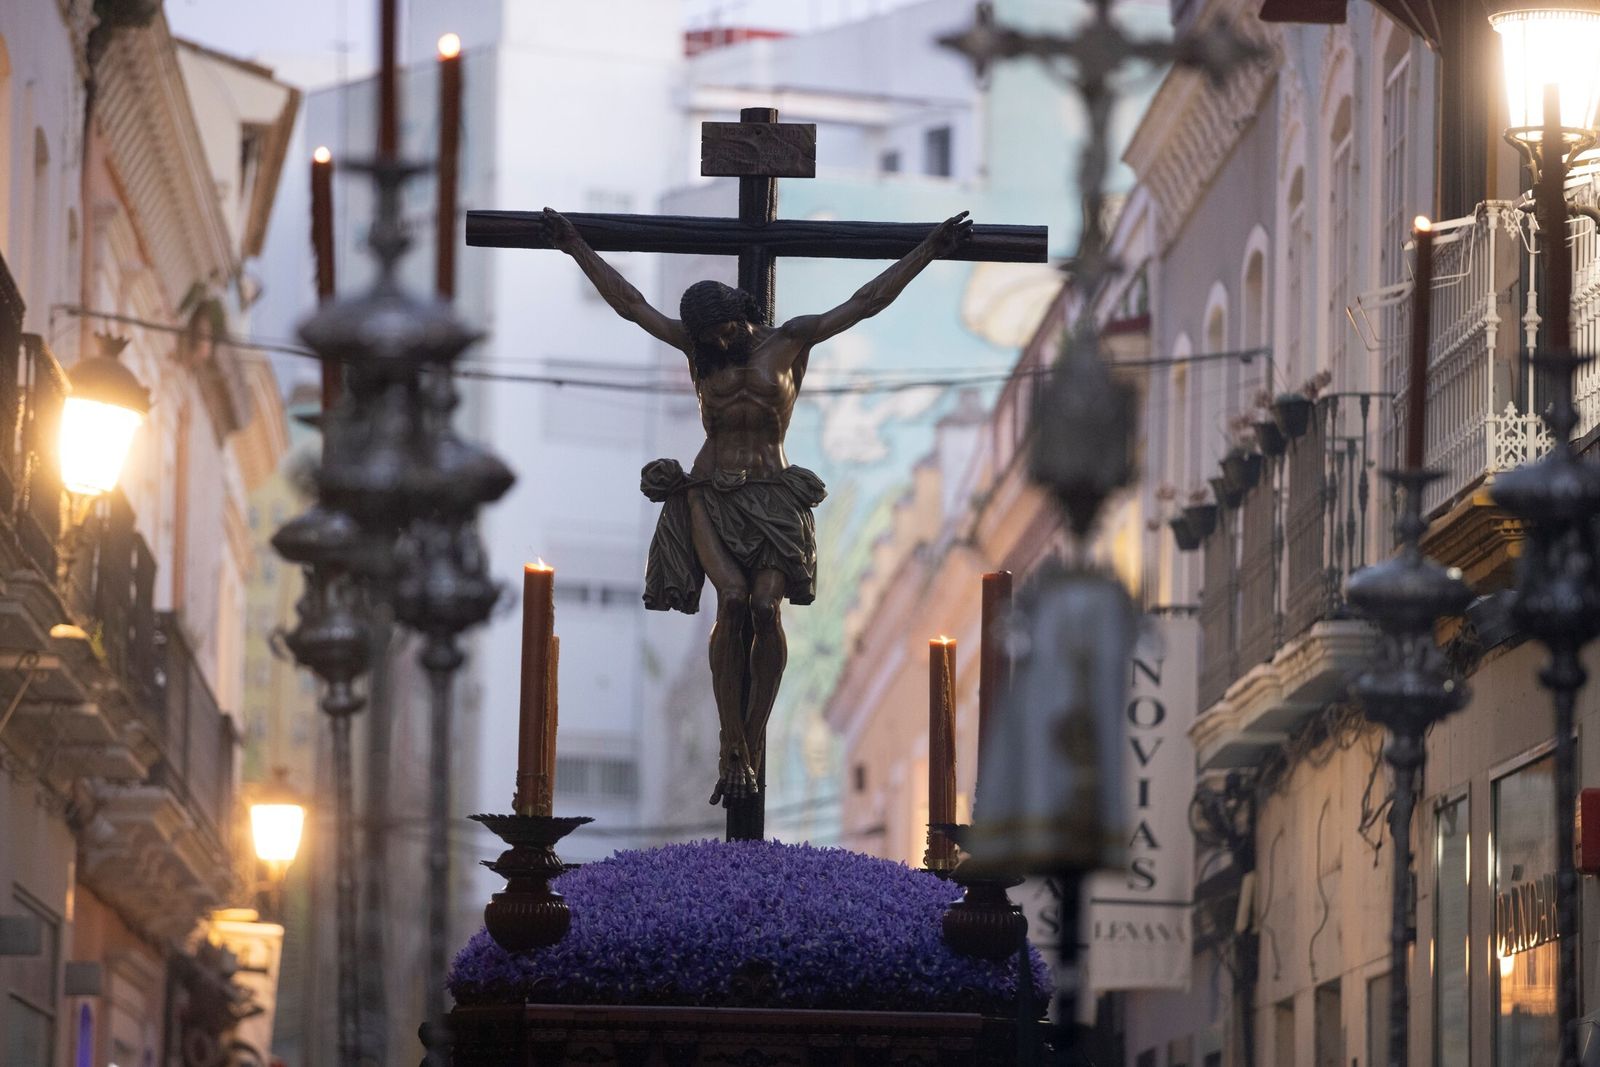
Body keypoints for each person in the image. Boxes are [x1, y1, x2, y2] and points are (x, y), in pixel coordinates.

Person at [542, 206, 974, 805]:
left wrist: (928, 248)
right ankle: (732, 744)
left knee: (767, 608)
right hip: (711, 493)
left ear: (739, 313)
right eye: (706, 340)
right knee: (733, 600)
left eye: (722, 332)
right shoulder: (700, 351)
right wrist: (574, 246)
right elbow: (632, 305)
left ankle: (751, 737)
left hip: (773, 494)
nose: (716, 346)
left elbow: (866, 302)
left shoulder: (790, 339)